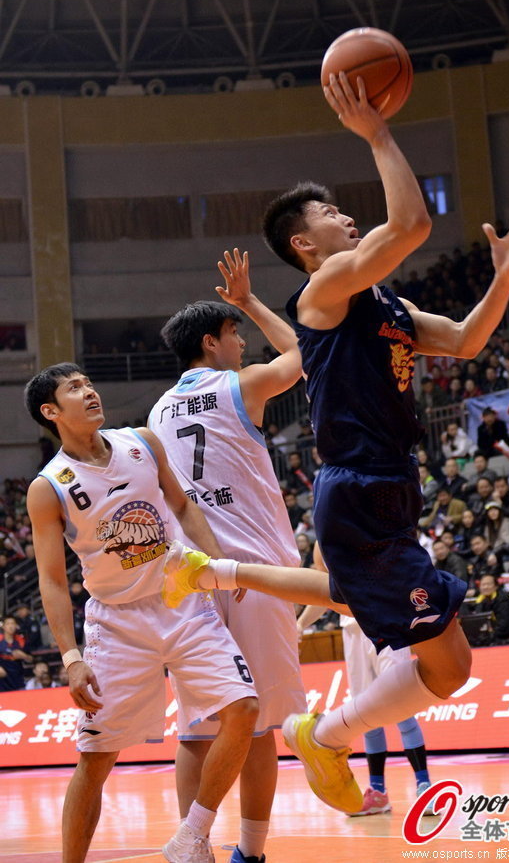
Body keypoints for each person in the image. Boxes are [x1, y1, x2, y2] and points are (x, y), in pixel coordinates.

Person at [257, 71, 509, 811]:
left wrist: (502, 278)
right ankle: (327, 733)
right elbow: (410, 226)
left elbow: (470, 340)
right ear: (302, 243)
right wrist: (376, 132)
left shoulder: (385, 301)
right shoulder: (321, 296)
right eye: (331, 213)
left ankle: (327, 730)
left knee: (444, 660)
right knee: (449, 666)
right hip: (358, 487)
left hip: (386, 487)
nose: (346, 217)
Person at [24, 363, 259, 863]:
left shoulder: (143, 441)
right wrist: (70, 656)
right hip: (118, 623)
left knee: (244, 710)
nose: (89, 392)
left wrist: (216, 562)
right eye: (74, 389)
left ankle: (191, 836)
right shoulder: (49, 487)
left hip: (182, 600)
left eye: (89, 382)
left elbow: (183, 504)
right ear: (51, 411)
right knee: (96, 760)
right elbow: (52, 579)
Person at [150, 251, 306, 863]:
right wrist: (251, 301)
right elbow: (303, 352)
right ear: (212, 342)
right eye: (236, 334)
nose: (243, 344)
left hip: (192, 579)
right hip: (253, 575)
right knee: (260, 724)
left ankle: (196, 848)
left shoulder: (158, 412)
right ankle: (252, 852)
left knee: (196, 728)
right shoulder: (240, 384)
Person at [296, 543, 433, 816]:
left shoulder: (372, 520)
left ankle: (425, 788)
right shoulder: (322, 542)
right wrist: (300, 624)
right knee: (366, 712)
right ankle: (378, 792)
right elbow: (323, 590)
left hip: (386, 620)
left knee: (401, 704)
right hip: (352, 628)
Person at [471, 574, 509, 645]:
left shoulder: (504, 600)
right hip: (489, 636)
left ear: (496, 586)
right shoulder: (480, 601)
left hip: (506, 637)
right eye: (483, 585)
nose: (485, 587)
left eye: (488, 584)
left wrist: (490, 635)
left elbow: (505, 626)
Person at [0, 613, 32, 690]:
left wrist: (24, 656)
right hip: (2, 679)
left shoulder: (22, 640)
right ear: (3, 626)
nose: (10, 626)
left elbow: (31, 659)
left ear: (16, 626)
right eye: (8, 624)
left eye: (13, 623)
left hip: (18, 678)